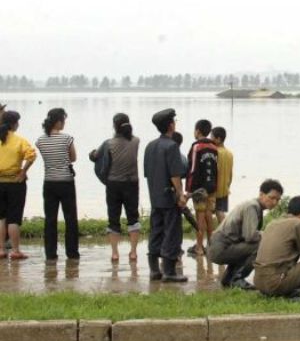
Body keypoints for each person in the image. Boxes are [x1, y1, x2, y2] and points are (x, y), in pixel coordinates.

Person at [208, 179, 283, 290]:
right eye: (272, 198)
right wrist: (267, 235)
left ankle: (228, 279)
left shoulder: (254, 206)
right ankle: (237, 279)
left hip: (219, 246)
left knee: (250, 246)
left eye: (277, 199)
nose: (275, 202)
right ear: (261, 194)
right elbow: (250, 236)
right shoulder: (252, 207)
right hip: (220, 248)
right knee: (261, 245)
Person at [143, 108, 188, 283]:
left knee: (156, 230)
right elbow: (175, 175)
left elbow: (148, 173)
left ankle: (155, 270)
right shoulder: (172, 146)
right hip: (169, 197)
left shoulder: (150, 146)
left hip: (155, 196)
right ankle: (169, 271)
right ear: (171, 125)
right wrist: (181, 195)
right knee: (172, 232)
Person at [254, 196, 300, 301]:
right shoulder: (297, 223)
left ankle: (286, 291)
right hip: (274, 284)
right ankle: (292, 293)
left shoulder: (272, 223)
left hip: (258, 282)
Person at [90, 113, 140, 263]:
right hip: (132, 183)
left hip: (113, 184)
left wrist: (91, 153)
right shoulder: (136, 141)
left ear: (114, 126)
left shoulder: (108, 143)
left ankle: (115, 253)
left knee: (113, 218)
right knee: (133, 217)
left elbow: (95, 157)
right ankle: (133, 252)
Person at [35, 108, 79, 260]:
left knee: (50, 219)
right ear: (59, 121)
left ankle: (50, 253)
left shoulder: (40, 140)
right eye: (64, 121)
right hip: (66, 182)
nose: (64, 123)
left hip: (49, 182)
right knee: (70, 218)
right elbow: (73, 158)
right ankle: (72, 253)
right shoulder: (67, 138)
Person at [0, 110, 36, 260]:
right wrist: (23, 171)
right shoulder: (19, 140)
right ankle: (15, 250)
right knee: (14, 218)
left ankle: (1, 249)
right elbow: (32, 155)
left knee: (1, 218)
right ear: (14, 124)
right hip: (15, 183)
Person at [185, 119, 218, 256]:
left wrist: (189, 190)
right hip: (211, 187)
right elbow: (216, 169)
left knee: (200, 216)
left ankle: (199, 247)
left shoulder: (196, 147)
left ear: (197, 131)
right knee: (209, 215)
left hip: (199, 189)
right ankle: (211, 245)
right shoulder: (214, 148)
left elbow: (192, 170)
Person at [210, 126, 233, 225]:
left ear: (218, 139)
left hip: (215, 188)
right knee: (221, 212)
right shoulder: (229, 153)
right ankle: (224, 233)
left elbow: (213, 171)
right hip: (225, 188)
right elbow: (231, 173)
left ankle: (217, 235)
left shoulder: (215, 152)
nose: (210, 139)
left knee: (212, 212)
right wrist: (228, 185)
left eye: (212, 137)